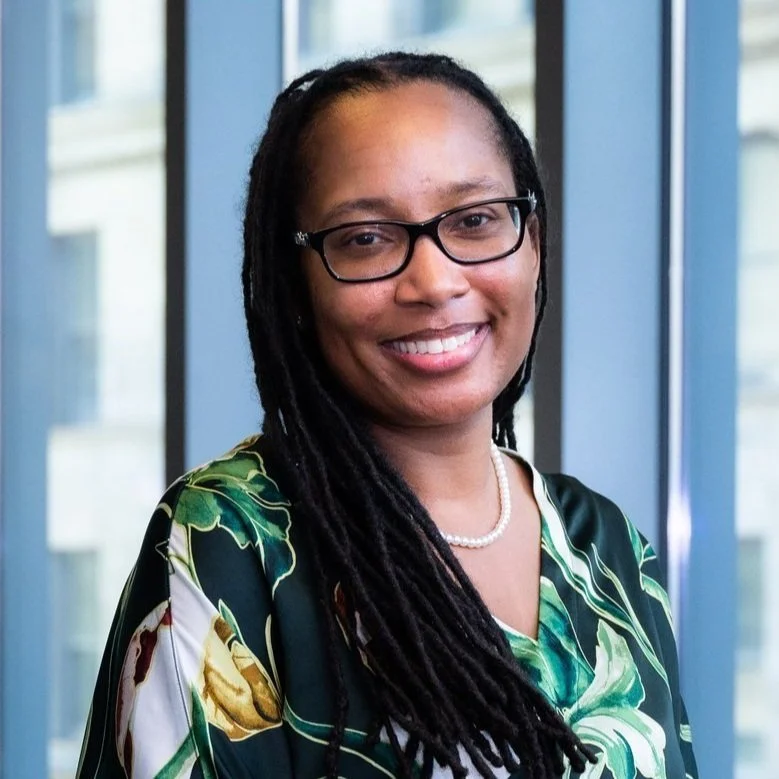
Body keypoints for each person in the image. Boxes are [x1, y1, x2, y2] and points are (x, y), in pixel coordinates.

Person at [77, 52, 698, 779]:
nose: (434, 281)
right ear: (296, 283)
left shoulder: (608, 549)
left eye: (473, 220)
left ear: (531, 242)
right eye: (366, 238)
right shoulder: (231, 540)